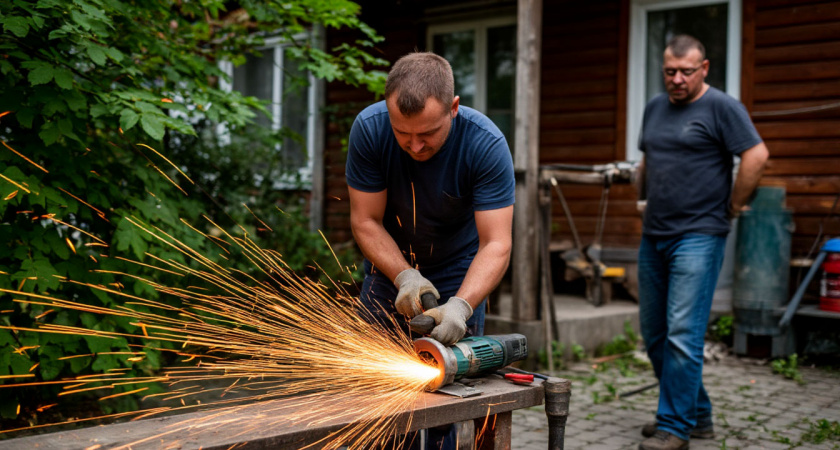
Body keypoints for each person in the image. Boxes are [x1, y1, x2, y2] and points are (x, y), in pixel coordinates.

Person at [345, 52, 515, 449]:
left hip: (461, 276)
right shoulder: (370, 130)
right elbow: (365, 220)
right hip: (390, 274)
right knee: (377, 404)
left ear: (453, 109)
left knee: (443, 403)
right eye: (403, 133)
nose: (415, 146)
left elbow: (497, 243)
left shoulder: (485, 143)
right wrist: (404, 275)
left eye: (428, 133)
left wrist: (461, 306)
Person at [635, 35, 769, 450]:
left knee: (682, 334)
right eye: (670, 71)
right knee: (655, 334)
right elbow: (647, 158)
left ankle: (675, 427)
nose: (677, 79)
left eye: (686, 72)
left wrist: (733, 205)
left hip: (699, 235)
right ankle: (699, 415)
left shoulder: (723, 108)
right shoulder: (655, 107)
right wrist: (641, 197)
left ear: (704, 68)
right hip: (654, 234)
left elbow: (757, 155)